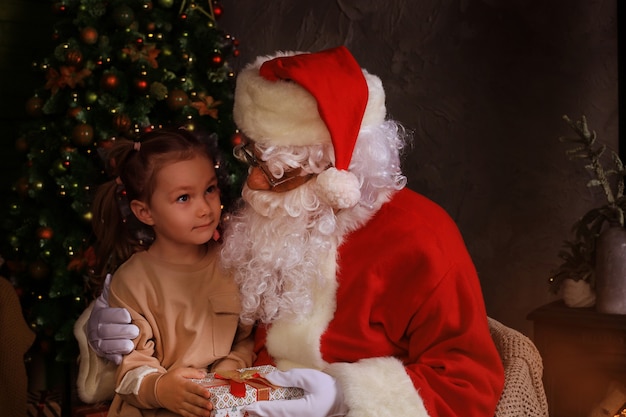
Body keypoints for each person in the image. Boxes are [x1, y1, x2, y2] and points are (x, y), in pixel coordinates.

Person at [79, 46, 505, 417]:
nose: (253, 186)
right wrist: (106, 326)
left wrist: (341, 396)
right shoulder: (253, 221)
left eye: (273, 171)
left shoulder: (422, 238)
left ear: (331, 171)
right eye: (252, 161)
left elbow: (469, 381)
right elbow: (175, 292)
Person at [84, 128, 255, 417]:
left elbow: (247, 337)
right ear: (145, 212)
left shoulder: (233, 261)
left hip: (222, 406)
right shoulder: (133, 281)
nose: (204, 208)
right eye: (183, 198)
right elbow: (130, 370)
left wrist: (233, 365)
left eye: (209, 190)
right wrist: (160, 388)